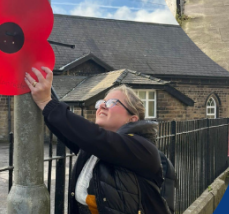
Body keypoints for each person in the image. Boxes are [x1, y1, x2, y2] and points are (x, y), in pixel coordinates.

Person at [24, 67, 169, 214]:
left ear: (132, 118)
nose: (102, 106)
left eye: (113, 102)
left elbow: (95, 137)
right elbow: (67, 130)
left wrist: (46, 102)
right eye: (101, 102)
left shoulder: (142, 148)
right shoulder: (95, 148)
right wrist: (44, 98)